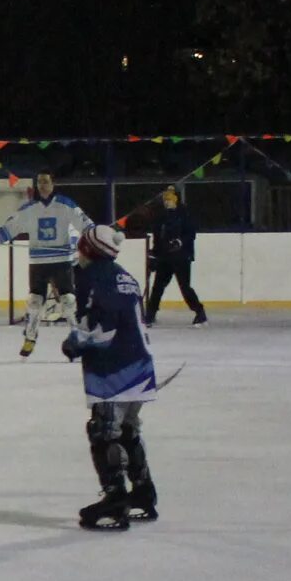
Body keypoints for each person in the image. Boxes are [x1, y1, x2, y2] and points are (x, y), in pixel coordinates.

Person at [64, 221, 161, 530]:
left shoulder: (97, 277)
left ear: (89, 250)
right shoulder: (125, 276)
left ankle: (115, 499)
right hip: (140, 366)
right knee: (129, 430)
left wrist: (75, 343)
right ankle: (143, 492)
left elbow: (101, 329)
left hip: (114, 369)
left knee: (104, 432)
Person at [0, 169, 91, 358]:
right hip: (38, 262)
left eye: (46, 181)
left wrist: (99, 237)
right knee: (34, 301)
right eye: (39, 182)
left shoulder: (66, 205)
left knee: (68, 301)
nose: (42, 185)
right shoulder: (29, 209)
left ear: (53, 183)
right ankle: (30, 336)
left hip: (61, 261)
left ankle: (76, 336)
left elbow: (86, 226)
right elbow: (10, 228)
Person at [142, 185, 207, 324]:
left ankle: (199, 312)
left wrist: (180, 242)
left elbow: (191, 234)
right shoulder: (160, 216)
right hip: (165, 258)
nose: (167, 201)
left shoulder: (185, 214)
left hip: (181, 258)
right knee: (158, 286)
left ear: (177, 199)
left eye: (170, 199)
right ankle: (150, 314)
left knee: (185, 287)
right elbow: (158, 237)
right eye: (165, 199)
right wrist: (154, 254)